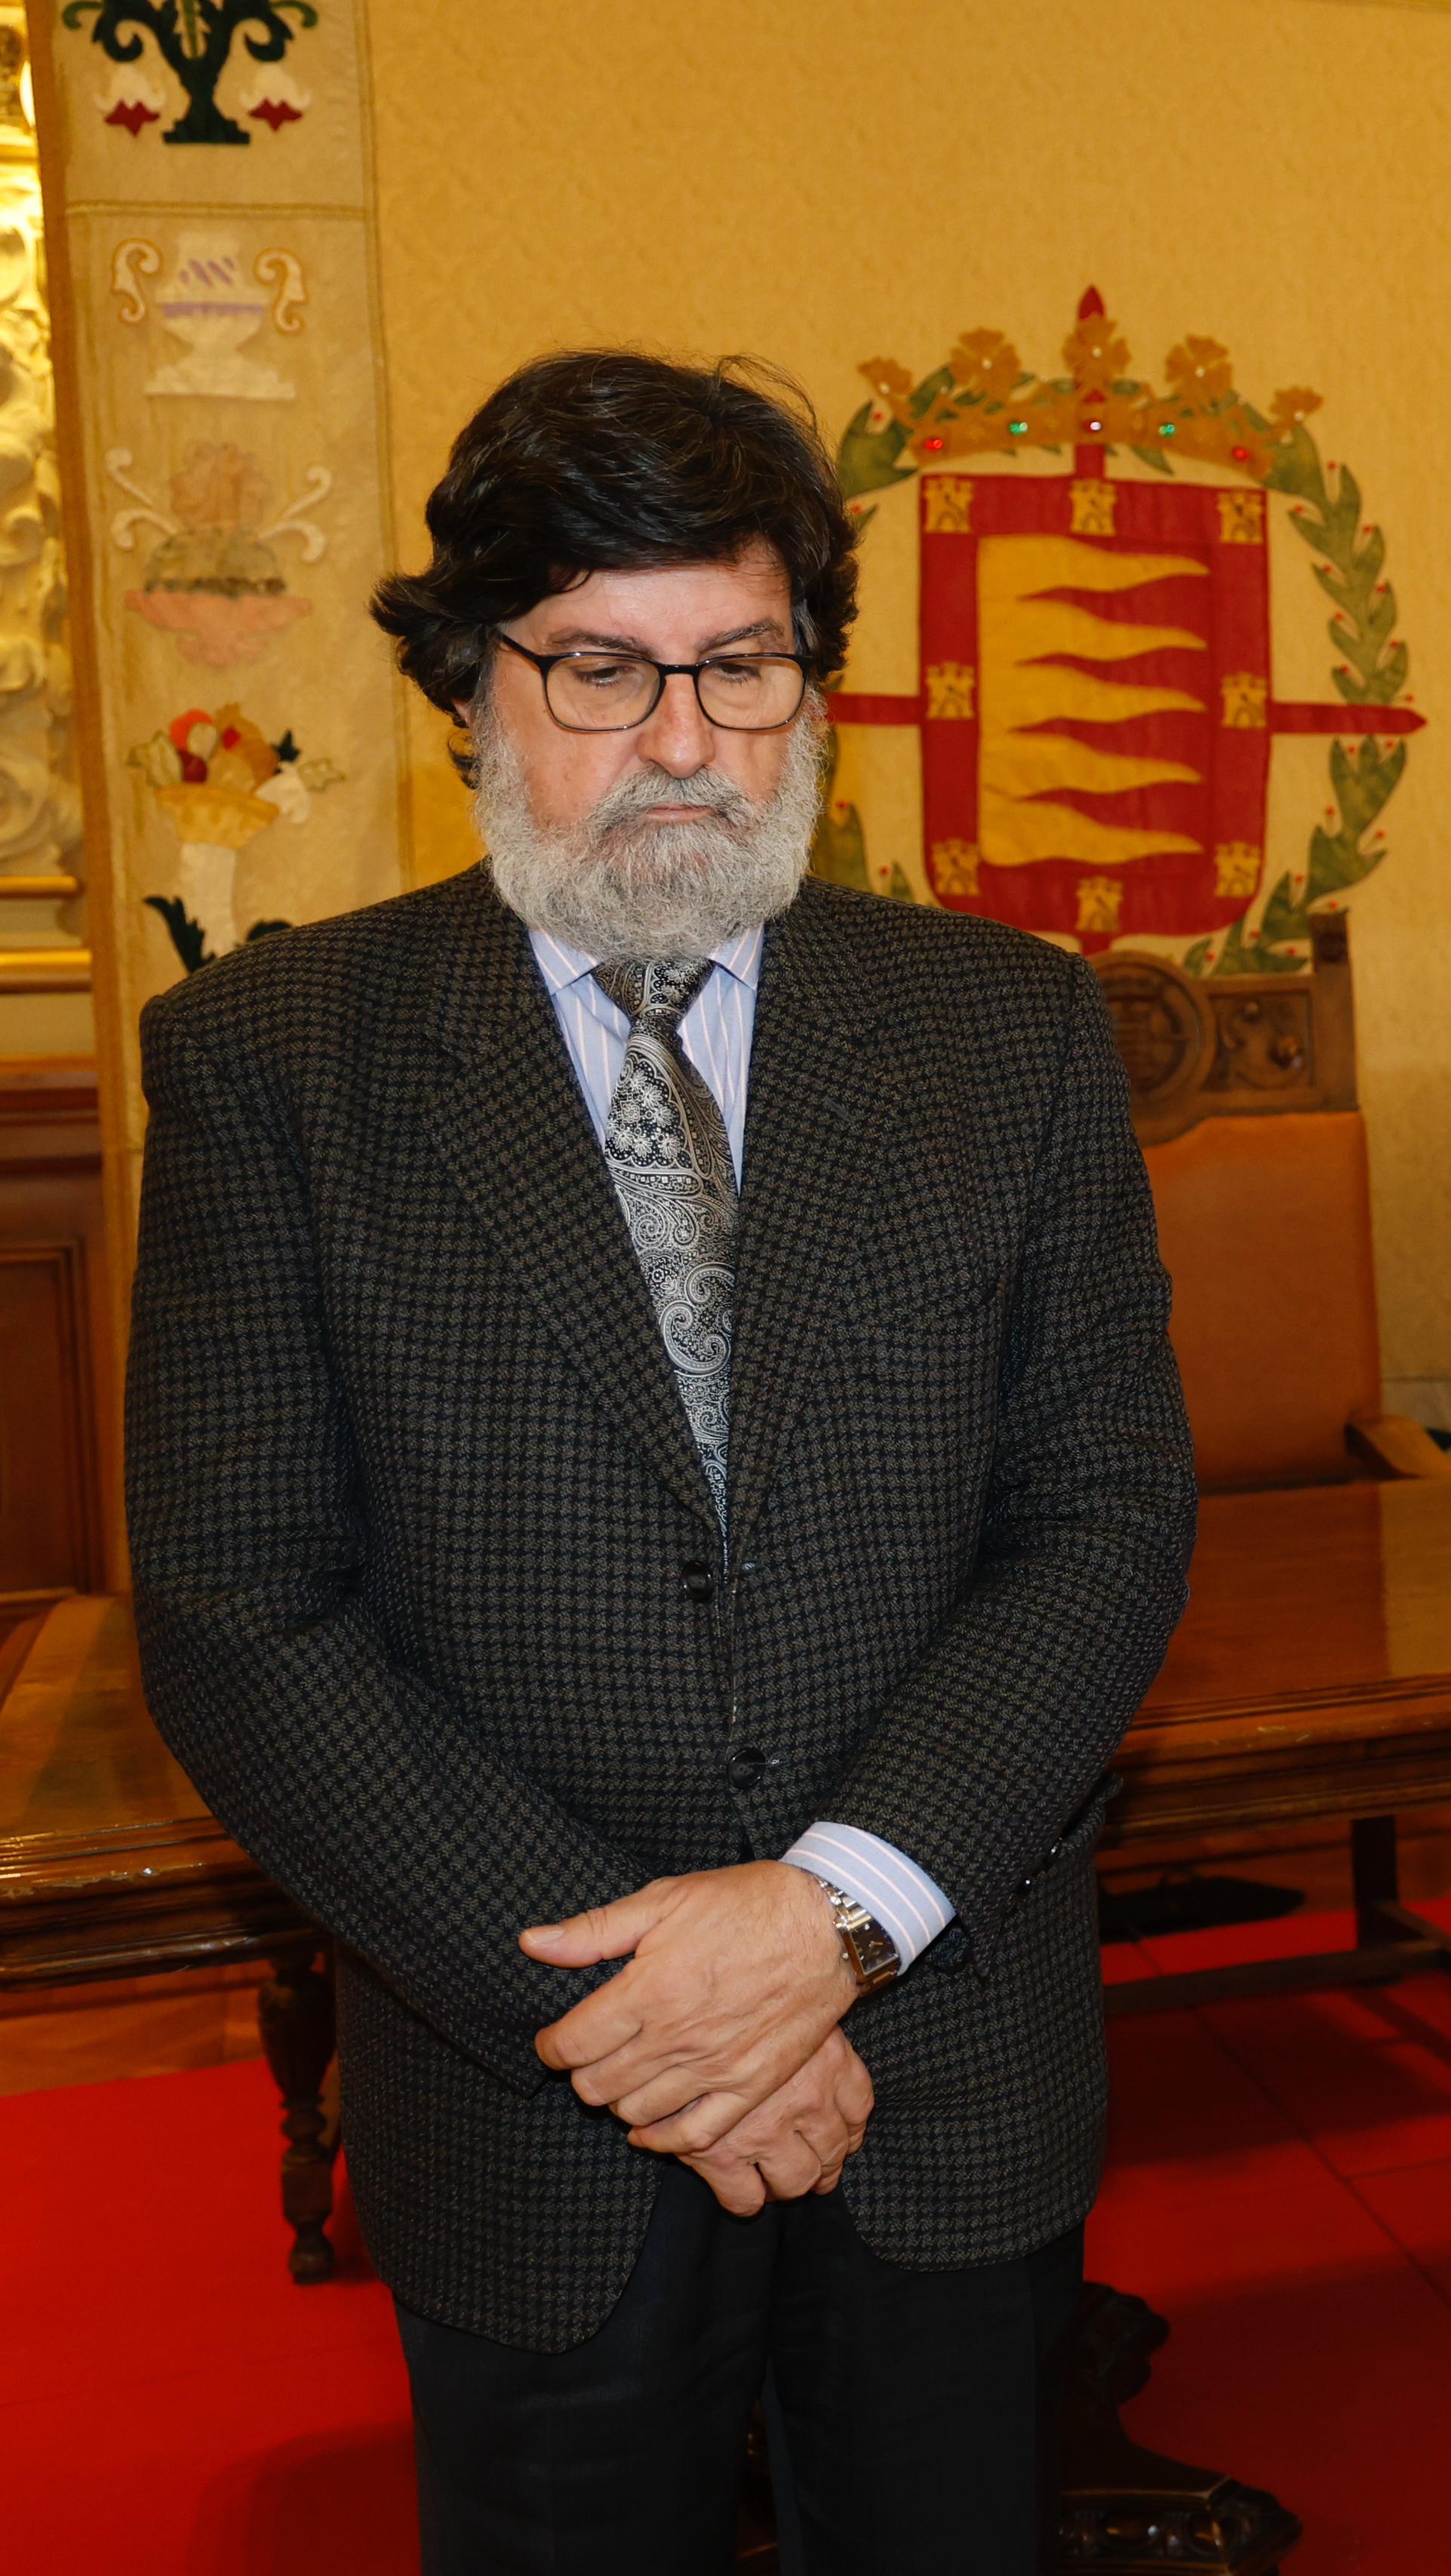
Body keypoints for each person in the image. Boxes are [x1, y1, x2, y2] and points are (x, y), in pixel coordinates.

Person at [125, 352, 1198, 2572]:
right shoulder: (275, 1065)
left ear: (815, 690)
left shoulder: (1008, 1031)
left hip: (946, 2057)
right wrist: (650, 2016)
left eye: (743, 666)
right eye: (603, 670)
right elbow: (244, 1616)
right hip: (528, 2095)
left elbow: (1101, 1525)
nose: (687, 740)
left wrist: (834, 1919)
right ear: (469, 692)